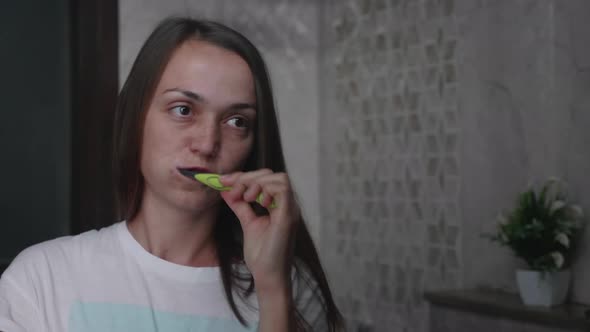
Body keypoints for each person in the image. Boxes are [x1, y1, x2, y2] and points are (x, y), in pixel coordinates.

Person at [0, 17, 344, 331]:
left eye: (237, 121)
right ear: (136, 119)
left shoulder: (290, 288)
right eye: (183, 110)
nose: (208, 143)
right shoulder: (39, 279)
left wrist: (273, 290)